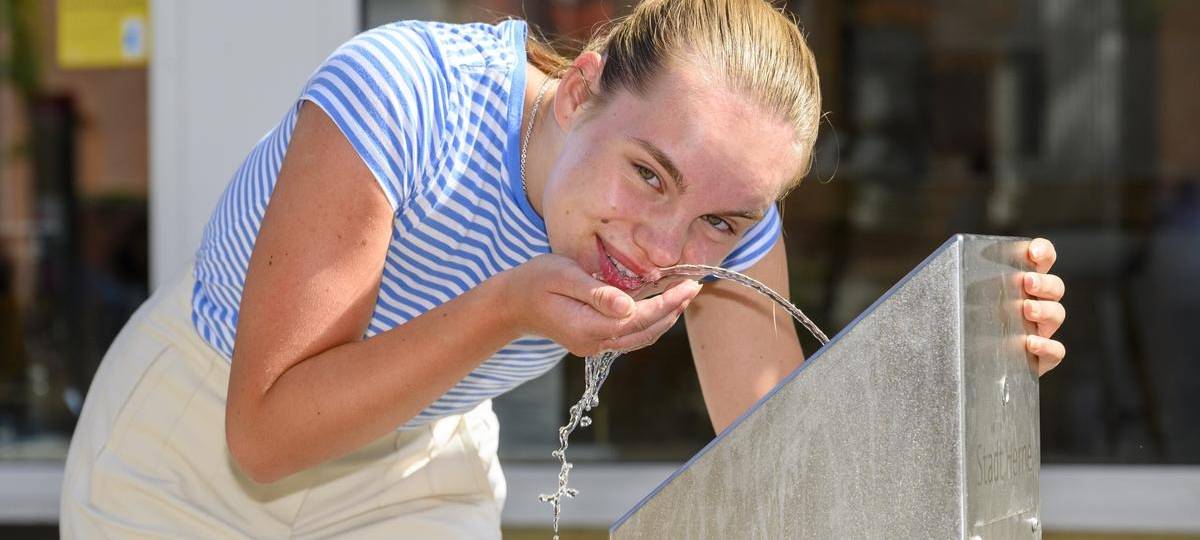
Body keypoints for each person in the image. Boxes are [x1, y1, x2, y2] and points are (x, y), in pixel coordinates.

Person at [60, 0, 1068, 537]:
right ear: (582, 87)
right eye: (646, 173)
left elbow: (791, 459)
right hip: (191, 451)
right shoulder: (404, 100)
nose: (663, 246)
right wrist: (506, 308)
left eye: (719, 218)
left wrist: (968, 357)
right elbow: (267, 434)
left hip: (411, 465)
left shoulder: (721, 219)